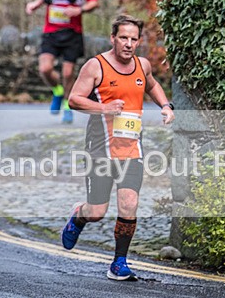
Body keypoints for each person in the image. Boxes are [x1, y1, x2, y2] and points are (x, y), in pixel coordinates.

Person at [61, 15, 174, 280]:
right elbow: (74, 100)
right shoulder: (95, 66)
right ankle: (79, 216)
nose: (129, 44)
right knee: (97, 212)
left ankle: (119, 262)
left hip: (132, 148)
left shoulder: (141, 65)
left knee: (129, 203)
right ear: (113, 38)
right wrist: (104, 108)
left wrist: (166, 106)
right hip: (100, 148)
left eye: (134, 39)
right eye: (123, 38)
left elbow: (152, 85)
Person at [26, 0, 99, 123]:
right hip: (51, 31)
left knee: (68, 73)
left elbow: (94, 1)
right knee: (45, 68)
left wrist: (79, 10)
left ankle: (67, 103)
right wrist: (35, 4)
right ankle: (57, 91)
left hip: (72, 32)